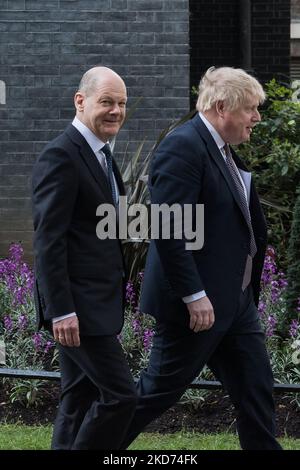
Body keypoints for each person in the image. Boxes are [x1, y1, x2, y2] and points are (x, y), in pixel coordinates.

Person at [121, 66, 282, 450]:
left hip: (235, 303)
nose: (257, 117)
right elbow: (168, 228)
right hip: (197, 306)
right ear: (223, 107)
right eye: (251, 109)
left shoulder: (223, 151)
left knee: (256, 392)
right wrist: (194, 296)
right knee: (155, 394)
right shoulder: (184, 146)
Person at [31, 66, 137, 450]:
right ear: (81, 101)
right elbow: (48, 240)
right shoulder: (62, 155)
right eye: (106, 101)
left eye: (122, 103)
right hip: (78, 310)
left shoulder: (102, 156)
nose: (116, 111)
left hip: (95, 304)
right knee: (121, 396)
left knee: (77, 399)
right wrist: (61, 310)